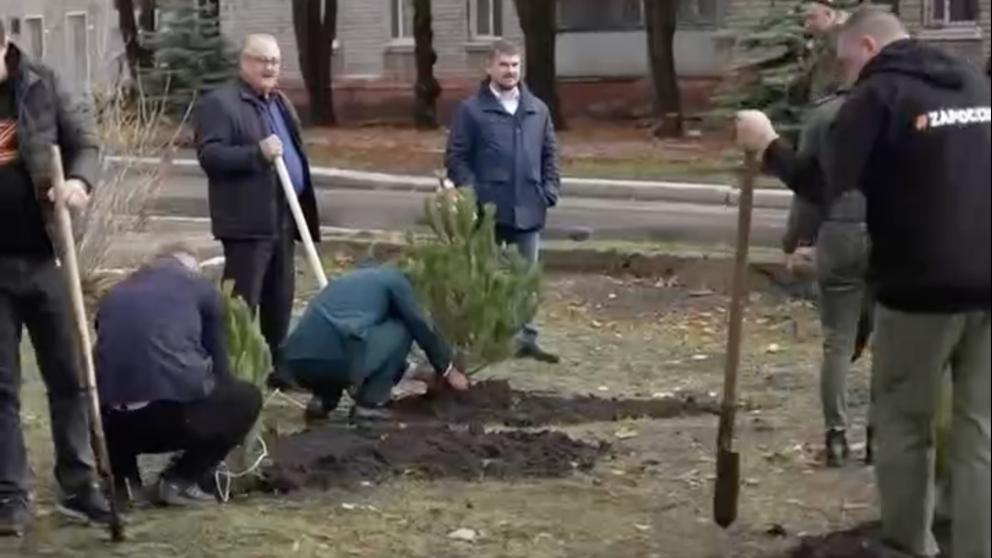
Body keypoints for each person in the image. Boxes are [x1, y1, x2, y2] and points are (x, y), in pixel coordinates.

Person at [737, 7, 990, 558]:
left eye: (844, 56)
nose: (842, 69)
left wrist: (768, 144)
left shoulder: (876, 98)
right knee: (978, 430)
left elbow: (824, 185)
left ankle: (907, 546)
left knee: (904, 423)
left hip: (921, 291)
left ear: (869, 46)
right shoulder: (972, 82)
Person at [0, 22, 112, 536]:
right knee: (1, 387)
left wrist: (79, 183)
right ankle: (10, 497)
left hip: (46, 257)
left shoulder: (41, 82)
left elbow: (85, 142)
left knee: (69, 375)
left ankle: (80, 484)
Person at [195, 33, 320, 390]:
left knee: (280, 297)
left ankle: (277, 368)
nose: (269, 68)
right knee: (243, 303)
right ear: (244, 62)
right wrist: (256, 154)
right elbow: (210, 156)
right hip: (246, 222)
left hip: (283, 216)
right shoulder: (222, 103)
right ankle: (232, 371)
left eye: (275, 62)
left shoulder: (279, 102)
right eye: (261, 60)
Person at [94, 243, 262, 508]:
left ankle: (125, 482)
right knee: (246, 398)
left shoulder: (114, 293)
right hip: (170, 419)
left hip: (111, 423)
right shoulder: (201, 289)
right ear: (191, 267)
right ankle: (179, 481)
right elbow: (222, 371)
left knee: (118, 385)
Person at [768, 89, 872, 467]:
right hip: (893, 229)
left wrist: (794, 240)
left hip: (840, 230)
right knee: (888, 336)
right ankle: (878, 436)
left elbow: (807, 189)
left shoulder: (826, 115)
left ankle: (836, 437)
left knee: (838, 341)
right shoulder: (903, 103)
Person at [445, 39, 561, 364]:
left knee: (525, 281)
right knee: (489, 277)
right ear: (490, 68)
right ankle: (491, 340)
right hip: (488, 212)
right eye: (504, 65)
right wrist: (473, 195)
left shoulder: (537, 109)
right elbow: (457, 158)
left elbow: (550, 153)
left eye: (515, 65)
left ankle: (526, 339)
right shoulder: (472, 110)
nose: (510, 71)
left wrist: (549, 191)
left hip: (529, 207)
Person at [281, 266, 469, 422]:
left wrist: (417, 373)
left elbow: (369, 344)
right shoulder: (397, 282)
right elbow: (419, 323)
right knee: (403, 328)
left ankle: (323, 401)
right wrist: (447, 369)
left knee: (339, 333)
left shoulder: (354, 282)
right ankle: (369, 404)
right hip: (341, 359)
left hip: (297, 362)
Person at [795, 0, 849, 107]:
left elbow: (823, 84)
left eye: (812, 18)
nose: (807, 24)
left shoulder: (838, 41)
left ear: (828, 15)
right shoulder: (821, 41)